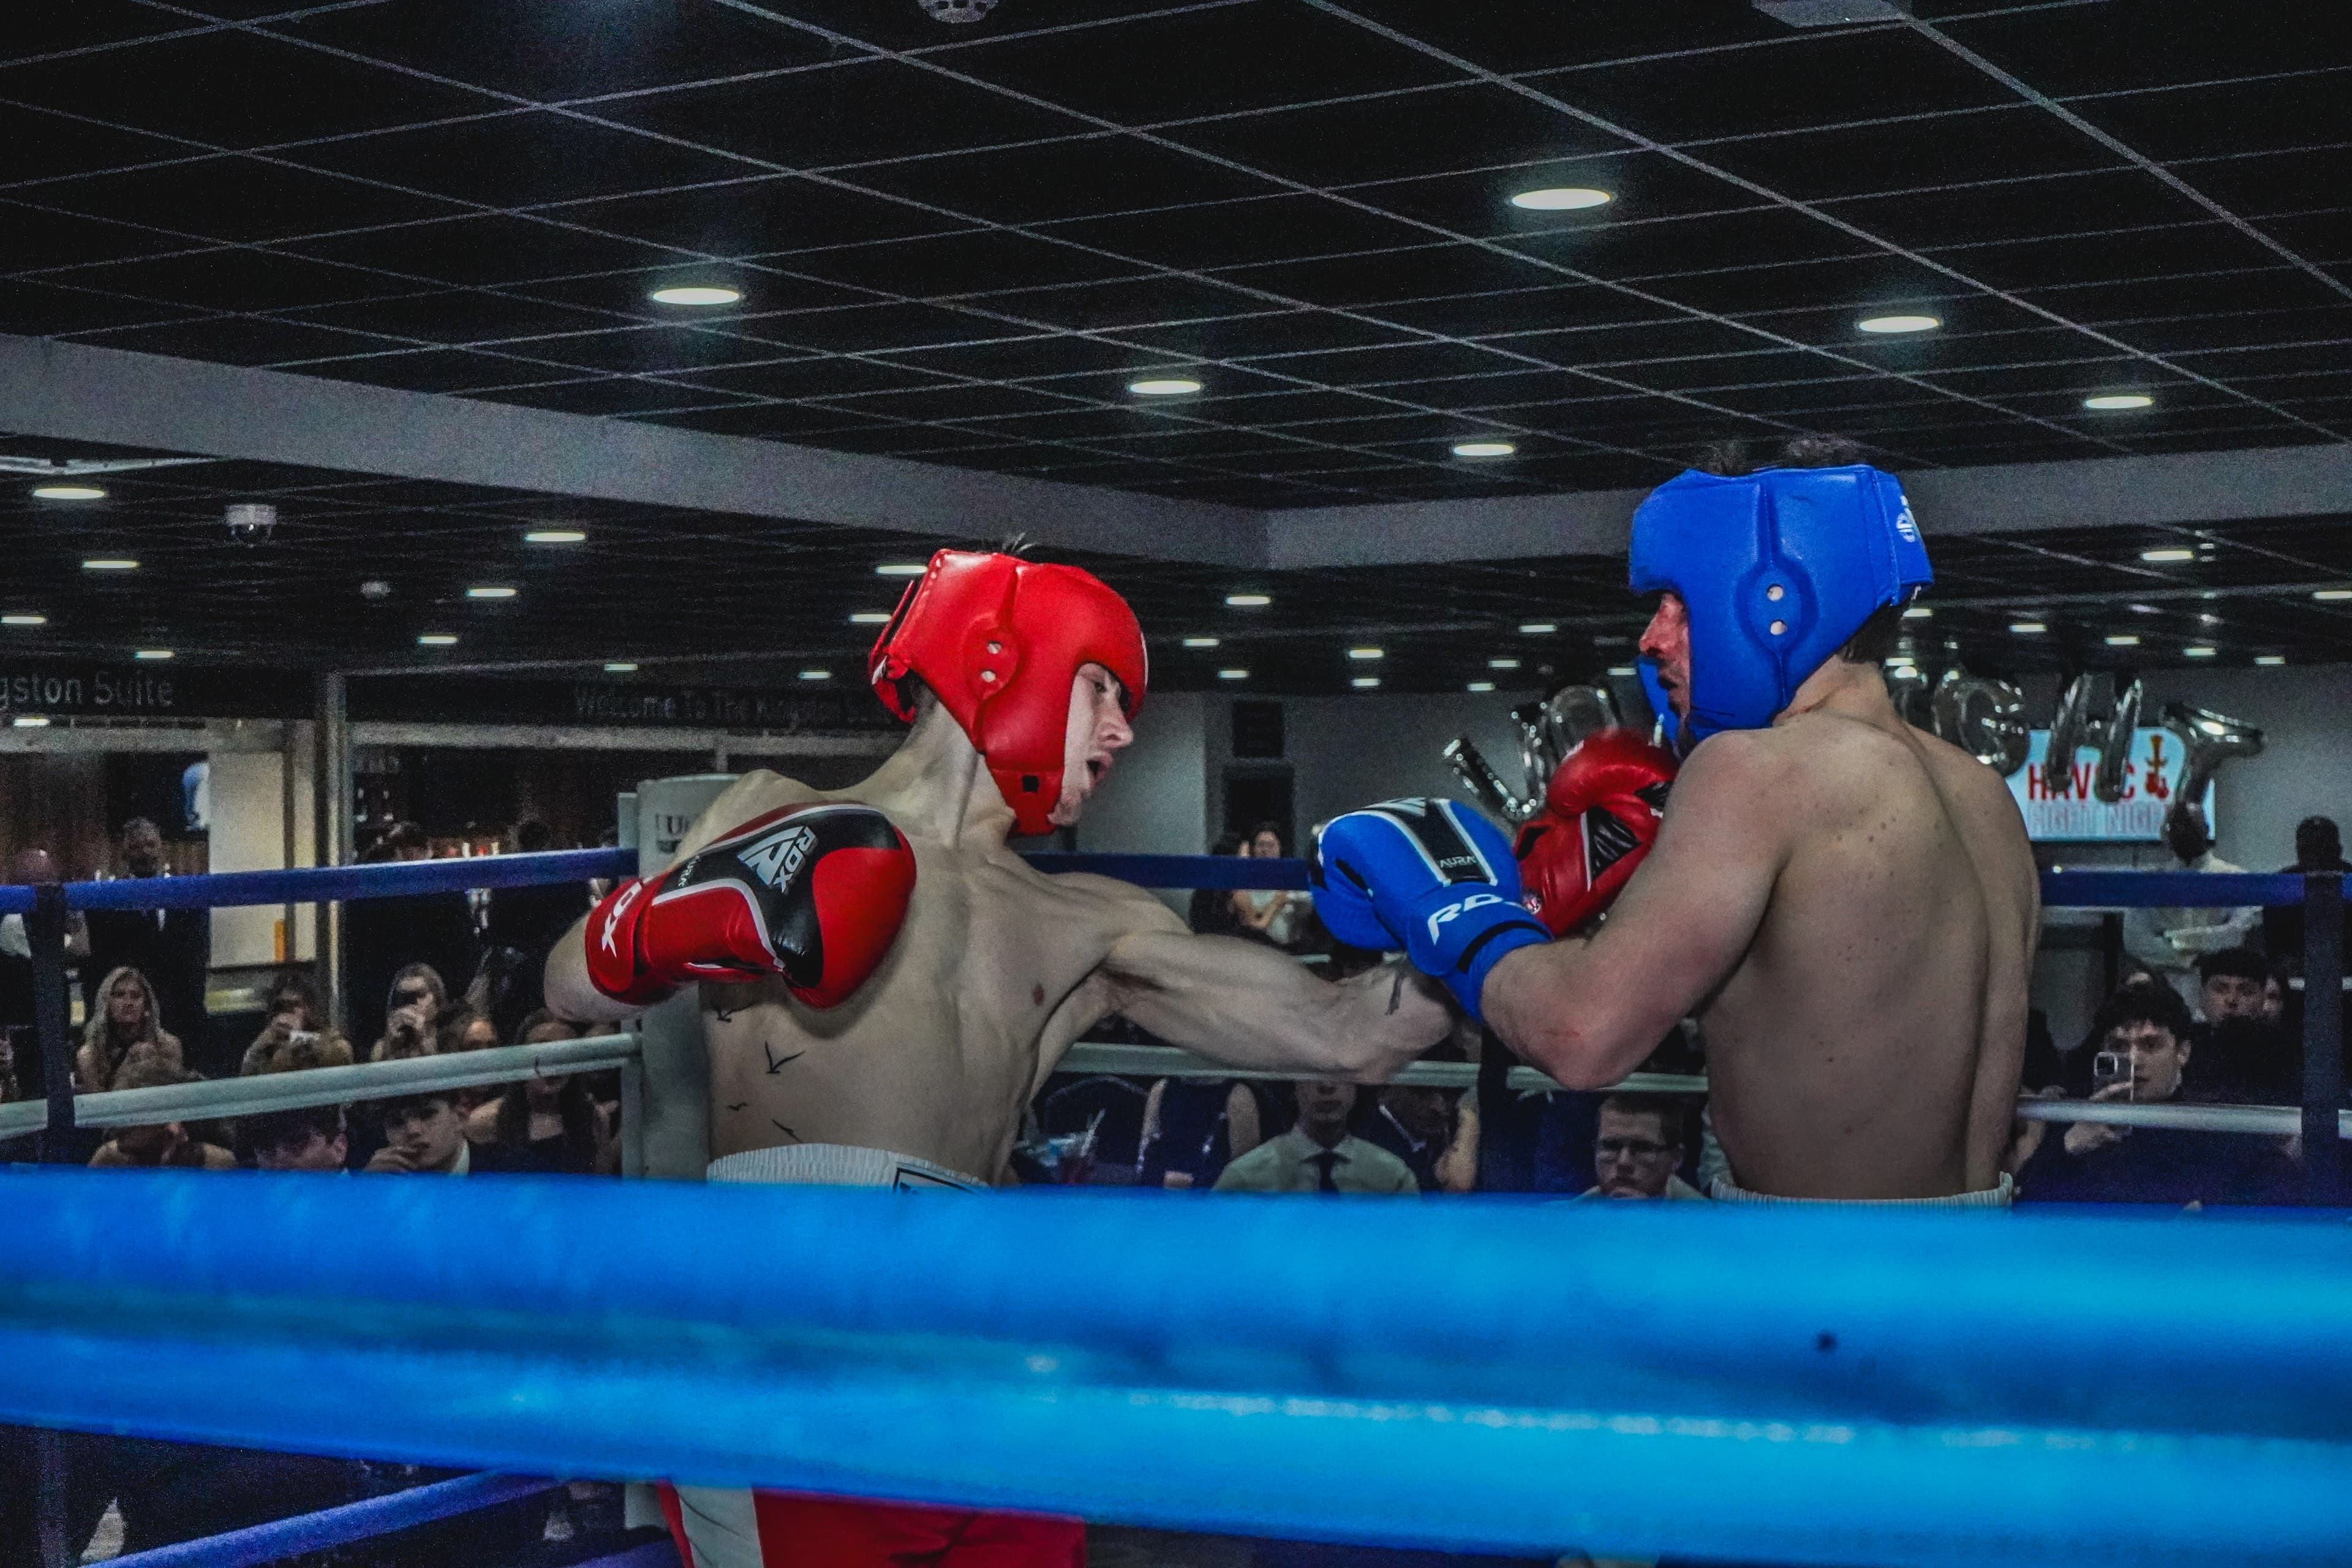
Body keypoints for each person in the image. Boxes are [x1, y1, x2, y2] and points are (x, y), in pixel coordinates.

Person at [543, 546, 1450, 1568]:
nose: (1121, 732)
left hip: (988, 1322)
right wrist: (677, 919)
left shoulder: (1089, 922)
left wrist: (1479, 932)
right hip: (791, 1302)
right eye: (1102, 690)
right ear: (998, 660)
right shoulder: (771, 813)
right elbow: (570, 982)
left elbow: (1348, 1033)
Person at [1318, 439, 2040, 1203]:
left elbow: (1581, 1035)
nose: (1652, 639)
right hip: (1974, 1275)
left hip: (1819, 1279)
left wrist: (1455, 915)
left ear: (1777, 598)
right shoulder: (1980, 793)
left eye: (1680, 604)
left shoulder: (1755, 772)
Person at [2018, 985, 2291, 1206]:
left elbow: (2279, 1188)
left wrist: (2216, 1219)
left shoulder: (2213, 1120)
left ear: (2182, 1052)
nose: (2133, 1059)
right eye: (2120, 1046)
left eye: (2151, 1045)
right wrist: (2068, 1147)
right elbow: (2024, 1203)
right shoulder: (2078, 1119)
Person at [81, 819, 213, 1068]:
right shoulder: (108, 905)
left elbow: (197, 960)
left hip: (183, 1018)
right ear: (124, 853)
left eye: (150, 845)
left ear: (161, 847)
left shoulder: (188, 897)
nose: (145, 853)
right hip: (127, 1028)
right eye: (137, 847)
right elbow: (99, 969)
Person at [341, 823, 477, 1046]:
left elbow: (358, 950)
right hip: (433, 991)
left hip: (379, 996)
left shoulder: (370, 886)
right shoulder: (445, 887)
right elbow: (464, 951)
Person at [2122, 804, 2258, 1010]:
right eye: (2175, 826)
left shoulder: (2234, 878)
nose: (2182, 832)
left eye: (2189, 824)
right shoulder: (2152, 882)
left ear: (2206, 828)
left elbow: (2238, 932)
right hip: (2162, 984)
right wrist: (2188, 957)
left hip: (2220, 986)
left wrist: (2176, 939)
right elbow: (2136, 938)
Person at [1214, 1079, 1418, 1195]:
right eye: (1313, 1072)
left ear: (1358, 1085)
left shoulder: (1392, 1178)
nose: (1327, 1086)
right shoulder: (1245, 1178)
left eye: (1341, 1073)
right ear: (1293, 1085)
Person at [467, 1012, 611, 1175]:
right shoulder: (486, 1122)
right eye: (542, 1048)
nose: (553, 1061)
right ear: (522, 1058)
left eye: (563, 1050)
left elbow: (602, 1194)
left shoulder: (595, 1119)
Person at [87, 1058, 236, 1170]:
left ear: (164, 1121)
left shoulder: (216, 1165)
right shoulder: (108, 1160)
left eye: (131, 1115)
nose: (117, 1127)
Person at [2263, 814, 2352, 972]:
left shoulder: (2350, 883)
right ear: (2298, 852)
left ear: (2338, 851)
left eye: (2323, 849)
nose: (2315, 857)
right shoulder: (2283, 886)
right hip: (2294, 974)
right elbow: (2273, 949)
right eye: (2307, 850)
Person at [75, 965, 183, 1093]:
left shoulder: (168, 1046)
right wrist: (127, 1070)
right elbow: (100, 1107)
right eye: (119, 995)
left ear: (146, 1006)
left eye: (136, 996)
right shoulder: (90, 1055)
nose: (128, 1002)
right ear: (106, 1004)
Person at [1578, 1095, 1705, 1200]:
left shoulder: (1704, 1221)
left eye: (1643, 1148)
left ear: (1677, 1158)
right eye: (1611, 1146)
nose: (1624, 1162)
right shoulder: (1575, 1217)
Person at [1231, 822, 1310, 949]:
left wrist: (1289, 899)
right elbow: (1250, 922)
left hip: (1290, 949)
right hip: (1255, 947)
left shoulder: (1291, 879)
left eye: (1271, 845)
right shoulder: (1244, 885)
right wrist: (1275, 904)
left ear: (1280, 848)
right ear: (1253, 849)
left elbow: (1309, 902)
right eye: (1260, 845)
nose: (1265, 851)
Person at [365, 1093, 472, 1175]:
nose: (413, 1131)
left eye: (426, 1115)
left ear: (460, 1117)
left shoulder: (489, 1165)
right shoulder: (380, 1183)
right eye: (396, 1122)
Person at [239, 1104, 350, 1171]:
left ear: (339, 1148)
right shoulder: (240, 1204)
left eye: (296, 1142)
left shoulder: (363, 1203)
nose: (280, 1155)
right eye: (266, 1147)